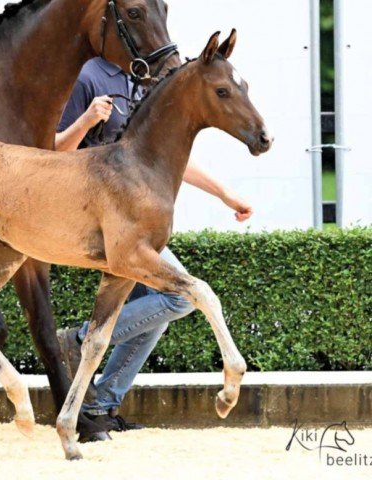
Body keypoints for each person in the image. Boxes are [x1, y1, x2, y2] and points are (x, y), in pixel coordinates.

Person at [55, 57, 253, 439]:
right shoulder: (88, 77)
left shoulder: (142, 81)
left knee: (156, 315)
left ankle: (102, 405)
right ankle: (78, 341)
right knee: (178, 298)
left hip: (137, 219)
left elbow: (169, 158)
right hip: (99, 217)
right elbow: (54, 151)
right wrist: (87, 121)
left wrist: (225, 195)